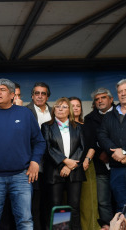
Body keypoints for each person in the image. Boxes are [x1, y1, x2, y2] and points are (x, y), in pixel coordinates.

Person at [0, 79, 46, 229]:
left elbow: (39, 141)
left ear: (13, 95)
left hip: (22, 177)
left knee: (25, 221)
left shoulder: (26, 114)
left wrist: (34, 162)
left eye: (2, 89)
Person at [41, 97, 86, 230]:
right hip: (55, 171)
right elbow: (48, 148)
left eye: (64, 107)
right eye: (58, 106)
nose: (60, 109)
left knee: (75, 205)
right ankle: (60, 229)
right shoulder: (46, 126)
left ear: (70, 111)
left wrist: (69, 166)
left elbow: (82, 147)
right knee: (56, 205)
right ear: (54, 109)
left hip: (74, 171)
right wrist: (64, 162)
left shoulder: (77, 127)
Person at [84, 88, 115, 227]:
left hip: (121, 164)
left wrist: (112, 153)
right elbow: (90, 141)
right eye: (97, 99)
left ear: (111, 99)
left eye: (103, 97)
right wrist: (100, 154)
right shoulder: (89, 118)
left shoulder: (121, 113)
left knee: (121, 197)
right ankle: (108, 226)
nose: (100, 101)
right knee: (103, 201)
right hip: (100, 166)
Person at [69, 96, 100, 230]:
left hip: (87, 165)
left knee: (89, 202)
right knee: (70, 203)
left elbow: (93, 145)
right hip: (69, 167)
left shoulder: (88, 125)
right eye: (72, 105)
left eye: (78, 105)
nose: (75, 108)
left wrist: (87, 159)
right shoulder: (62, 126)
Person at [26, 82, 52, 230]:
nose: (40, 96)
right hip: (33, 163)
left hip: (52, 164)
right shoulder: (24, 111)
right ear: (32, 95)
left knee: (49, 201)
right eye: (37, 93)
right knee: (33, 203)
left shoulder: (54, 112)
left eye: (43, 93)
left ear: (47, 96)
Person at [98, 79, 126, 213]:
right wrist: (118, 153)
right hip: (117, 169)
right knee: (121, 206)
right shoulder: (109, 116)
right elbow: (102, 137)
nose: (123, 94)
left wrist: (125, 154)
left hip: (121, 160)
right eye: (120, 91)